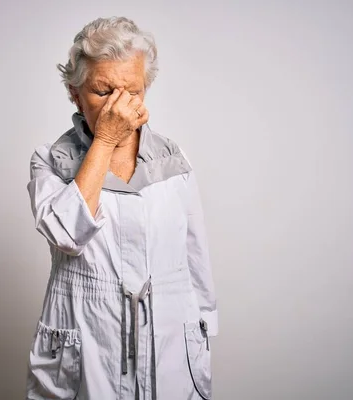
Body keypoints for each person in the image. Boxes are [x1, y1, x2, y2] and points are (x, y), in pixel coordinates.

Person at [25, 16, 218, 400]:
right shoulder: (51, 161)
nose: (118, 105)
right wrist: (106, 140)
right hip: (85, 338)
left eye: (132, 91)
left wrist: (202, 336)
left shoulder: (172, 159)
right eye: (103, 91)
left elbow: (195, 257)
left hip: (170, 338)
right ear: (73, 92)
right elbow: (66, 233)